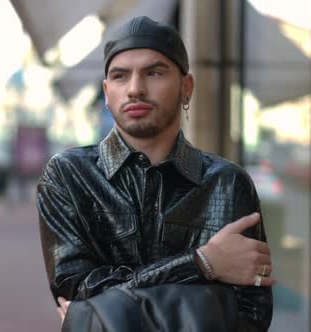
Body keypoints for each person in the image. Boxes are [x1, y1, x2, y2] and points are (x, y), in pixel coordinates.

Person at [37, 16, 274, 331]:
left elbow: (251, 318)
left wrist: (108, 314)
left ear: (185, 87)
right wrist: (203, 263)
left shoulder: (228, 184)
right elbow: (77, 292)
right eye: (120, 76)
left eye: (154, 72)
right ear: (107, 93)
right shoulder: (68, 175)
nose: (135, 89)